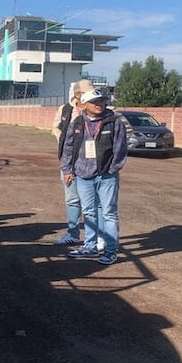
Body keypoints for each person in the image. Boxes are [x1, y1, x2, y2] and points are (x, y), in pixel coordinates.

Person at [60, 89, 129, 265]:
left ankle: (110, 251)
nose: (98, 104)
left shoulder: (114, 122)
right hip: (83, 175)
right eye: (94, 102)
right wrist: (68, 170)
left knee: (109, 214)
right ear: (84, 104)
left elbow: (120, 149)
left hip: (106, 176)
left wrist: (112, 170)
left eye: (101, 101)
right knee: (89, 212)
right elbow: (68, 147)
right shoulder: (77, 123)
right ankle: (89, 246)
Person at [51, 79, 94, 245]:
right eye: (85, 93)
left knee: (92, 201)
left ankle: (96, 236)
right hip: (68, 161)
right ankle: (73, 233)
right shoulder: (65, 109)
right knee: (72, 199)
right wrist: (62, 141)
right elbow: (56, 127)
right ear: (78, 94)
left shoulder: (98, 110)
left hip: (90, 162)